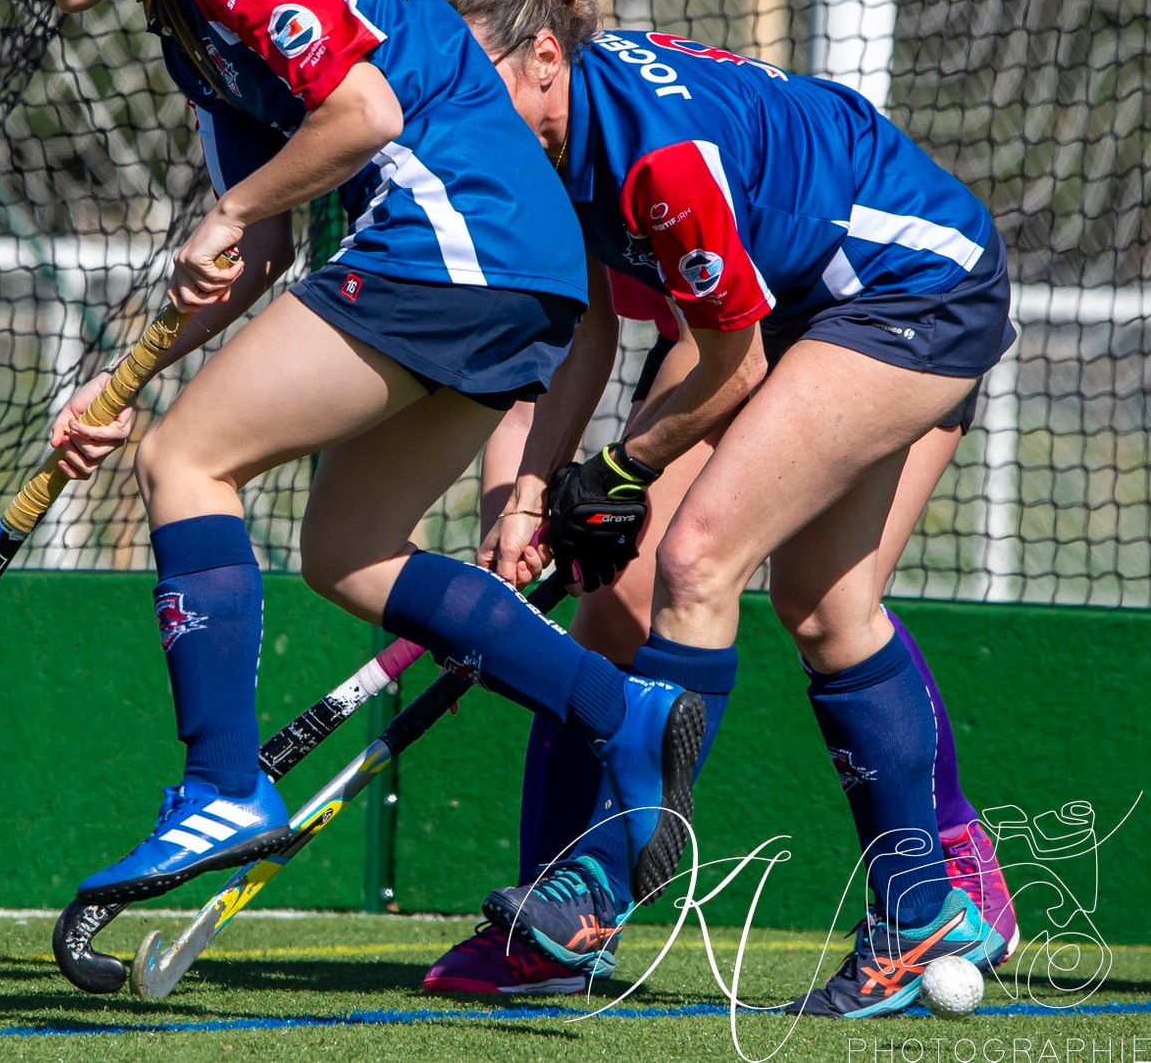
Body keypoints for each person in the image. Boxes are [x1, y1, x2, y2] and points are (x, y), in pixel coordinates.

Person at [0, 0, 705, 916]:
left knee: (186, 465)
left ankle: (221, 786)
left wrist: (228, 218)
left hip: (454, 244)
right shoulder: (187, 27)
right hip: (517, 272)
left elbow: (362, 113)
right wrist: (125, 376)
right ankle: (624, 714)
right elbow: (261, 241)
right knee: (349, 551)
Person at [421, 0, 1016, 1018]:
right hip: (777, 303)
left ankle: (601, 891)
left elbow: (729, 361)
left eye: (473, 81)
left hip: (902, 285)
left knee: (700, 559)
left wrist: (612, 468)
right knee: (687, 597)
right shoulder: (549, 145)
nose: (452, 110)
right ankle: (559, 934)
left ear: (544, 59)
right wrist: (527, 496)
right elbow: (583, 335)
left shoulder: (655, 158)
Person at [433, 285, 1017, 999]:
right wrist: (512, 530)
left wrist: (612, 476)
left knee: (827, 605)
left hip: (885, 313)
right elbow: (564, 341)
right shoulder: (545, 192)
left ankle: (951, 855)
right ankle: (552, 923)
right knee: (616, 600)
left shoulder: (644, 173)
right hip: (717, 338)